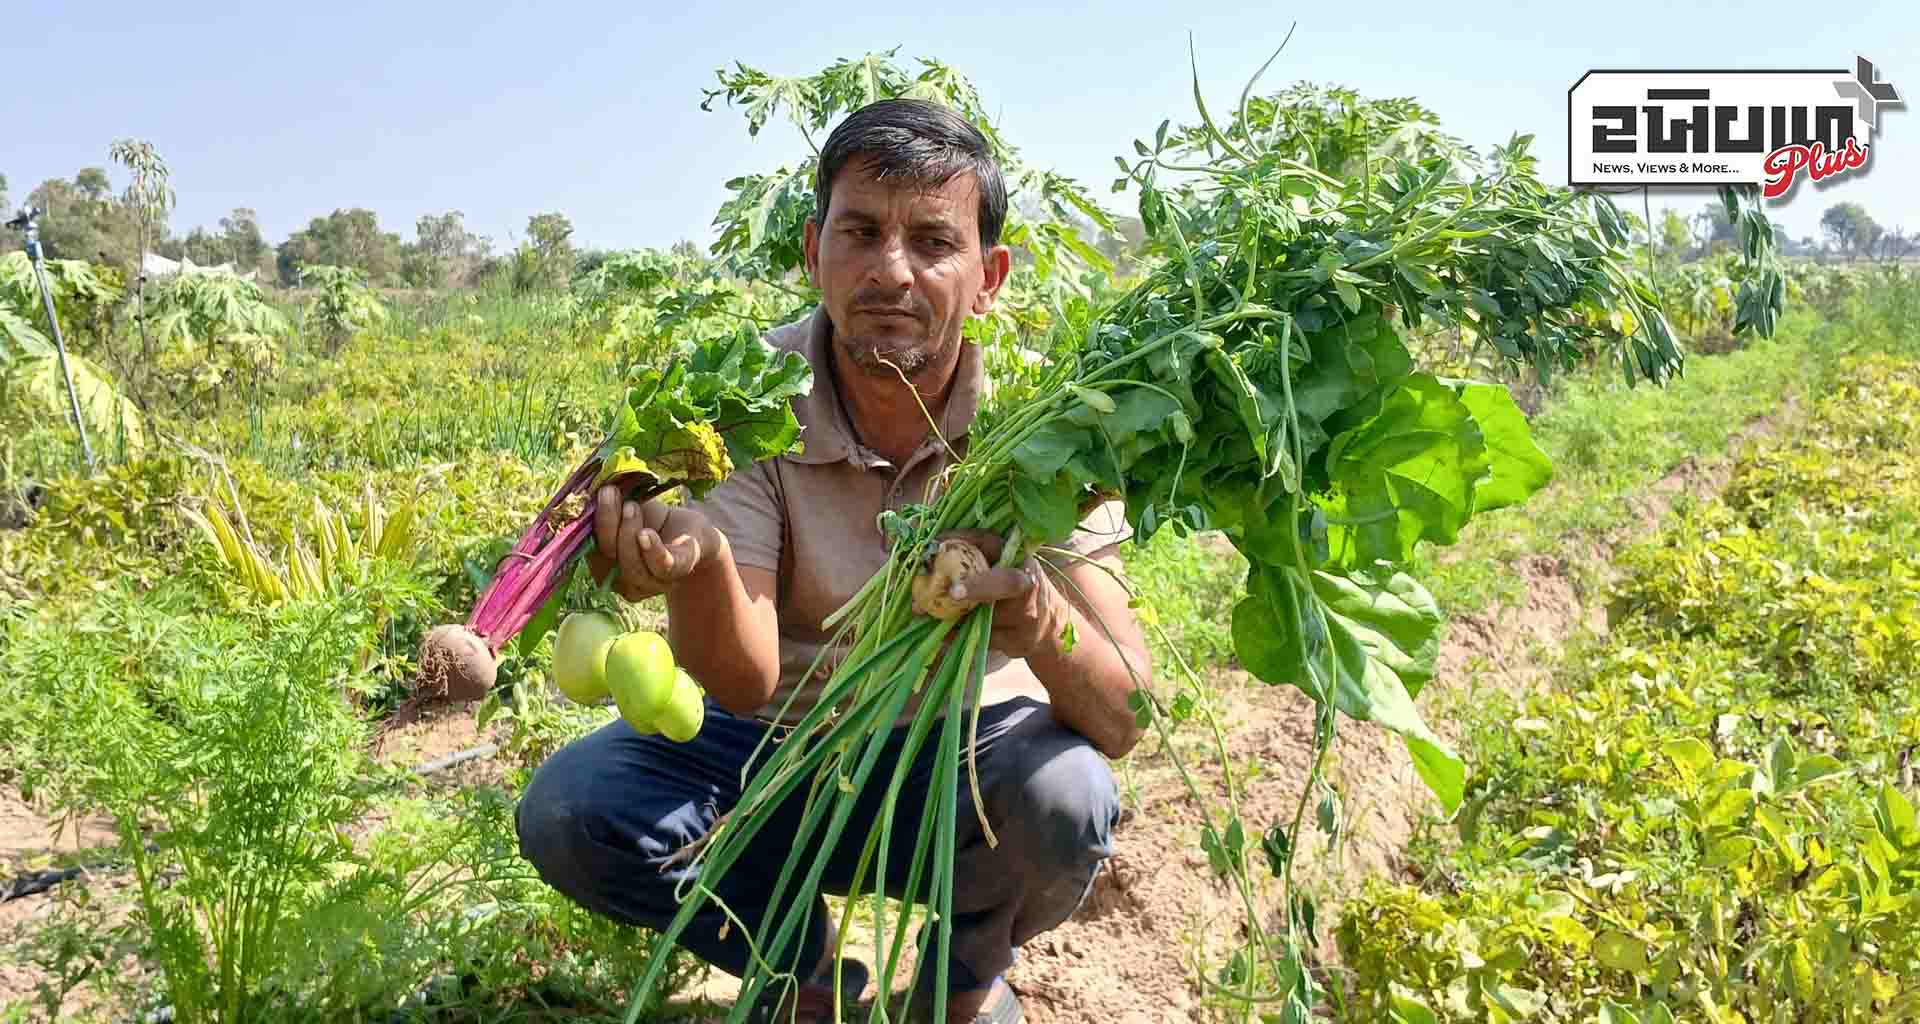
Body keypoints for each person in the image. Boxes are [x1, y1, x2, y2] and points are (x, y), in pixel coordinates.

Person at [515, 98, 1153, 1024]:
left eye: (933, 242)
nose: (891, 271)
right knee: (574, 809)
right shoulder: (747, 395)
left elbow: (1124, 711)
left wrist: (1028, 618)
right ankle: (804, 969)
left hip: (952, 764)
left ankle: (964, 975)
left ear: (990, 277)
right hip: (770, 752)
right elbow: (743, 679)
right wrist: (699, 568)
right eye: (861, 232)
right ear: (814, 251)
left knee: (1069, 794)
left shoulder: (1046, 426)